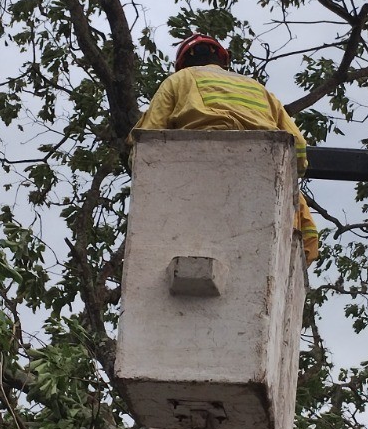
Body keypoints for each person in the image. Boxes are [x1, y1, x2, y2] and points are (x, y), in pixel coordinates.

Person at [130, 34, 319, 263]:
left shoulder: (179, 80)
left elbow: (149, 138)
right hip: (264, 171)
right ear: (222, 60)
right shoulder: (259, 89)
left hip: (194, 170)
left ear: (182, 64)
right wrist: (289, 179)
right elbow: (298, 147)